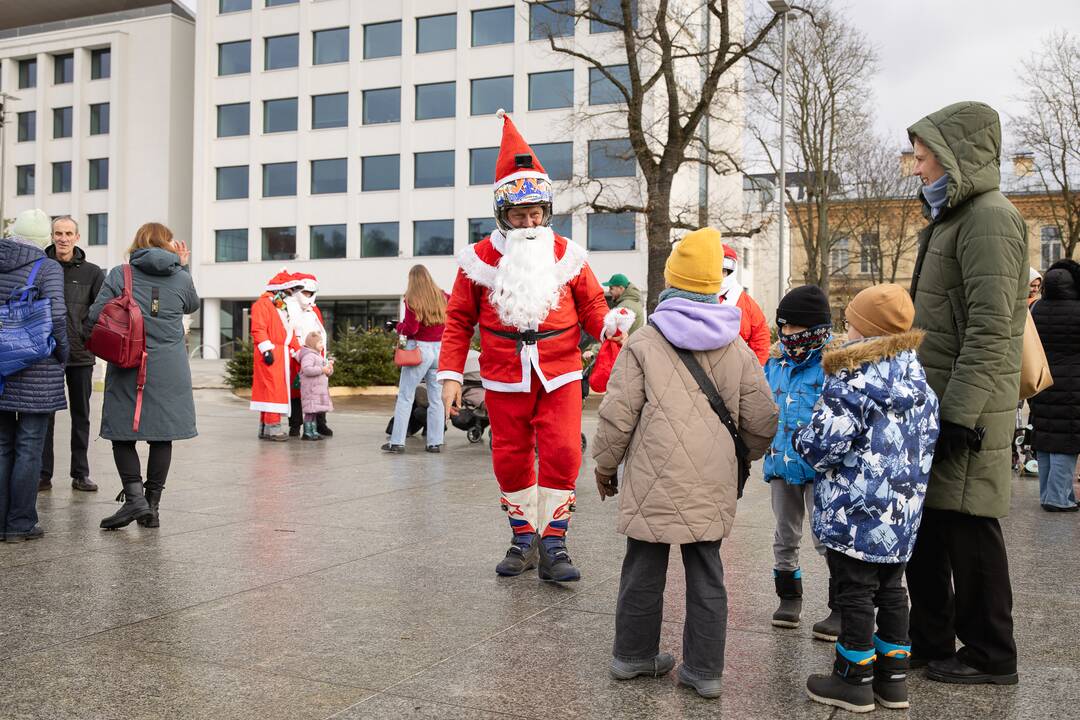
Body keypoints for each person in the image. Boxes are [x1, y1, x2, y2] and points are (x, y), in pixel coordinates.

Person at [592, 227, 779, 698]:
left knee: (642, 568)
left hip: (651, 481)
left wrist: (605, 467)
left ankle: (632, 657)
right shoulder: (737, 348)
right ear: (715, 287)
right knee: (707, 573)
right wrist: (741, 457)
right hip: (712, 483)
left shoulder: (642, 344)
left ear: (670, 283)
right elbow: (763, 421)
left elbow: (617, 417)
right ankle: (704, 670)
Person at [437, 109, 620, 581]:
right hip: (502, 373)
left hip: (559, 369)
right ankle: (523, 537)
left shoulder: (567, 254)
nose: (529, 221)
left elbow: (593, 305)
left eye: (536, 212)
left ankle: (555, 541)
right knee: (510, 455)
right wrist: (451, 376)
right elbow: (457, 320)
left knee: (562, 451)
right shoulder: (477, 261)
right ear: (503, 214)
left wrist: (609, 324)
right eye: (519, 214)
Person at [906, 101, 1026, 685]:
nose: (917, 167)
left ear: (958, 157)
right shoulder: (952, 217)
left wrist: (956, 415)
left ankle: (990, 653)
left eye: (924, 156)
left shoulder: (989, 218)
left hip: (968, 405)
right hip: (940, 398)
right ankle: (929, 639)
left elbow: (991, 329)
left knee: (970, 525)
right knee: (929, 525)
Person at [794, 284, 940, 713]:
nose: (846, 327)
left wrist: (802, 439)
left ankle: (853, 677)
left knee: (854, 590)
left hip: (854, 509)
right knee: (893, 589)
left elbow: (824, 445)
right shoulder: (918, 379)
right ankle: (893, 679)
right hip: (901, 511)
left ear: (865, 328)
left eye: (851, 320)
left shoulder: (852, 378)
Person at [88, 223, 198, 530]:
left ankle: (134, 499)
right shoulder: (180, 275)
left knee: (122, 431)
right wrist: (184, 267)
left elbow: (96, 315)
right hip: (170, 368)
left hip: (129, 361)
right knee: (162, 435)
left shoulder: (120, 274)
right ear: (170, 245)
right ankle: (151, 508)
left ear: (137, 242)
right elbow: (192, 304)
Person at [762, 285, 839, 638]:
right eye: (783, 327)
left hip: (821, 469)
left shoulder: (832, 366)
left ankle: (841, 604)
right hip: (781, 463)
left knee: (826, 538)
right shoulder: (774, 363)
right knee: (785, 533)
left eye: (793, 328)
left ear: (816, 329)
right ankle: (788, 595)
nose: (787, 335)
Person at [0, 212, 69, 542]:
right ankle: (20, 523)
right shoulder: (48, 267)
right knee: (29, 448)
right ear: (45, 240)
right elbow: (57, 317)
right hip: (37, 369)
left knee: (1, 447)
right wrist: (63, 355)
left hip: (1, 368)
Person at [39, 216, 104, 493]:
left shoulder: (92, 272)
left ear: (77, 237)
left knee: (81, 415)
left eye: (68, 233)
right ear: (52, 236)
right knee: (45, 416)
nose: (62, 238)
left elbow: (101, 310)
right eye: (58, 233)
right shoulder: (40, 268)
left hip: (80, 355)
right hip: (47, 355)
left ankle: (80, 473)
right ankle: (43, 474)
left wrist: (85, 336)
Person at [1028, 259, 1080, 512]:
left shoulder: (1037, 308)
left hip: (1043, 381)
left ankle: (1050, 493)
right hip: (1073, 386)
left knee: (1047, 439)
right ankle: (1057, 498)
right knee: (1068, 441)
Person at [384, 265, 447, 454]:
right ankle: (434, 443)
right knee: (436, 399)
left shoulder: (412, 298)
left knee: (405, 396)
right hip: (439, 350)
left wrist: (397, 326)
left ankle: (397, 442)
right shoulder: (443, 296)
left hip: (419, 350)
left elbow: (411, 329)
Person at [250, 271, 302, 441]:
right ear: (278, 289)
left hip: (280, 353)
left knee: (274, 389)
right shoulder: (262, 305)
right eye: (288, 291)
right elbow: (258, 329)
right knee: (272, 390)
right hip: (271, 353)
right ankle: (273, 428)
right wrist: (266, 350)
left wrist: (298, 351)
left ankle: (266, 428)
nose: (290, 295)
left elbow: (289, 333)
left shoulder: (280, 306)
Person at [288, 273, 333, 438]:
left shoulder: (315, 310)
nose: (307, 296)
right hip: (298, 357)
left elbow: (320, 333)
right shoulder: (291, 309)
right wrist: (298, 354)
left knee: (319, 392)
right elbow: (289, 334)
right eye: (304, 292)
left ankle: (320, 424)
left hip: (317, 356)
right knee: (298, 394)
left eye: (309, 293)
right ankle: (295, 426)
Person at [720, 244, 770, 365]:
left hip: (736, 369)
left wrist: (755, 369)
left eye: (724, 271)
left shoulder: (747, 304)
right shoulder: (697, 297)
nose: (720, 275)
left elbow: (760, 339)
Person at [298, 330, 334, 442]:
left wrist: (329, 368)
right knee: (310, 412)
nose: (322, 345)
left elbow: (325, 371)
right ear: (313, 344)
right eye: (319, 343)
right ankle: (307, 432)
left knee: (314, 412)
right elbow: (307, 369)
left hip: (317, 390)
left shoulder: (318, 356)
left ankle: (313, 431)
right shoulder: (309, 355)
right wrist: (321, 369)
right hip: (311, 389)